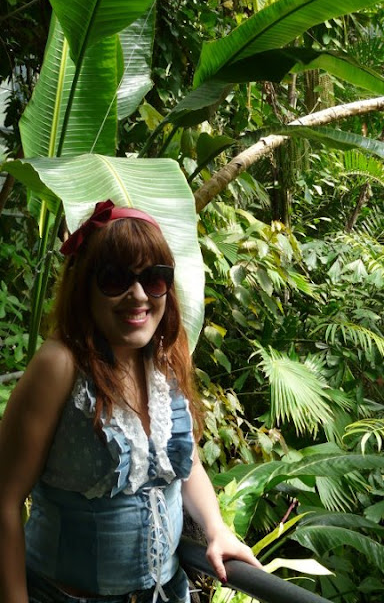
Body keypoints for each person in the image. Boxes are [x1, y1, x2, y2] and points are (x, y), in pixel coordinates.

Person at [0, 200, 261, 603]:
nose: (137, 295)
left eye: (154, 279)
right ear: (84, 285)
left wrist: (216, 529)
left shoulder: (164, 358)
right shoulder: (60, 366)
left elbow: (184, 466)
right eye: (114, 279)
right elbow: (4, 500)